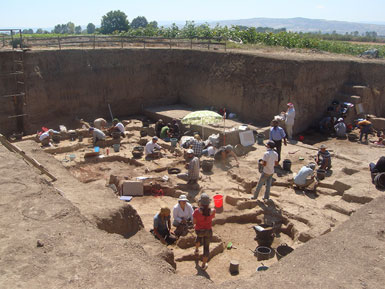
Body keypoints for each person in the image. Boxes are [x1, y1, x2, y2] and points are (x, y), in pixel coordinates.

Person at [193, 193, 216, 271]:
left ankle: (196, 250)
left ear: (200, 202)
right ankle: (203, 265)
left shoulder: (196, 211)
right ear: (208, 203)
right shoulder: (213, 211)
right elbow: (211, 215)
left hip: (199, 230)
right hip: (208, 231)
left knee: (198, 238)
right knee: (206, 247)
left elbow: (194, 222)